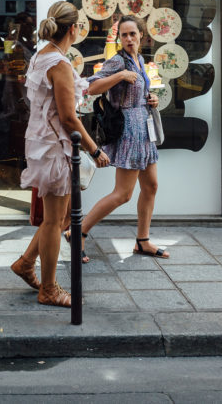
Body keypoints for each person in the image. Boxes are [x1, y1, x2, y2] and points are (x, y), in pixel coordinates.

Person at [11, 2, 109, 307]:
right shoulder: (60, 64)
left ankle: (26, 263)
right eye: (80, 25)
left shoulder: (43, 56)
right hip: (54, 147)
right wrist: (95, 150)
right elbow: (69, 118)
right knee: (56, 221)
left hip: (42, 143)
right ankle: (49, 289)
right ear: (73, 29)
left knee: (59, 216)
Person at [81, 14, 168, 261]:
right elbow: (92, 88)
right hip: (129, 131)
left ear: (142, 35)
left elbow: (138, 90)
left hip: (144, 129)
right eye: (124, 35)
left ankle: (142, 241)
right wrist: (119, 76)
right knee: (123, 193)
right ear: (119, 38)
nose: (129, 38)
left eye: (133, 34)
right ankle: (78, 232)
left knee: (151, 186)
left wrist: (151, 99)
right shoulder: (118, 61)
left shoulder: (139, 59)